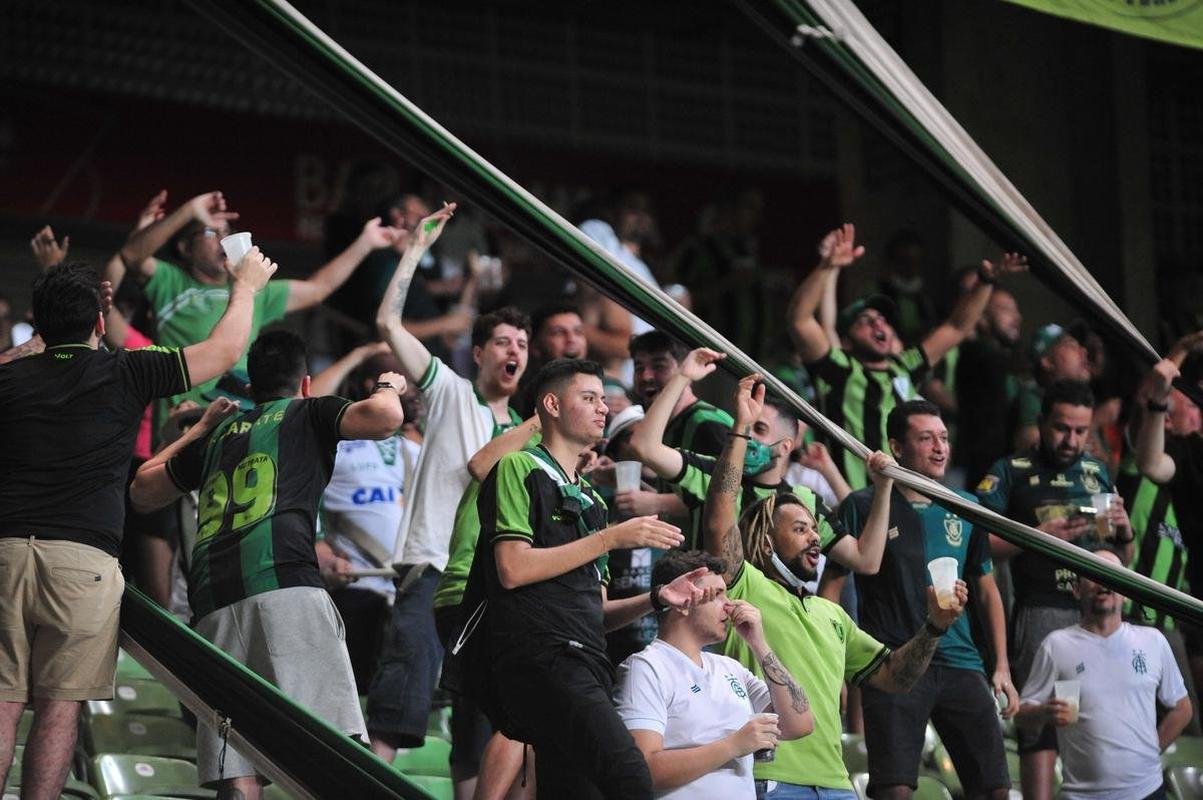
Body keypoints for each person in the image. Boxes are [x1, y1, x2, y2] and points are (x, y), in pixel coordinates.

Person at [0, 251, 272, 800]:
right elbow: (223, 351)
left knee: (2, 702)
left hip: (4, 555)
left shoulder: (11, 378)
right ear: (101, 323)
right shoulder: (126, 369)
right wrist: (243, 286)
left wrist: (27, 348)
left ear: (39, 324)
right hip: (82, 565)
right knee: (59, 707)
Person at [129, 329, 406, 799]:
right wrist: (390, 386)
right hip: (287, 589)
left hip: (214, 603)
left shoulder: (217, 437)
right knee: (334, 753)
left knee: (236, 766)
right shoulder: (307, 411)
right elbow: (384, 418)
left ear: (252, 387)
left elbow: (141, 490)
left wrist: (197, 429)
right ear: (304, 384)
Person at [453, 358, 712, 800]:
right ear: (551, 405)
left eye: (602, 400)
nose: (602, 409)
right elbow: (512, 569)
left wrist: (656, 597)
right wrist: (611, 538)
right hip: (543, 656)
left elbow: (597, 612)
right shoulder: (519, 468)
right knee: (630, 776)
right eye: (588, 398)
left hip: (586, 658)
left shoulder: (591, 497)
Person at [704, 373, 970, 800]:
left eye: (815, 529)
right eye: (799, 528)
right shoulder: (745, 586)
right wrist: (741, 429)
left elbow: (894, 677)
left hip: (837, 785)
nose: (814, 537)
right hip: (768, 781)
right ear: (767, 540)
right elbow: (720, 518)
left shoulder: (831, 614)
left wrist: (934, 628)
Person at [370, 202, 529, 760]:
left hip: (487, 587)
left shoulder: (532, 438)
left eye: (523, 345)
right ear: (479, 352)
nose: (515, 352)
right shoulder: (449, 389)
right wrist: (415, 250)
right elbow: (388, 324)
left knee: (478, 729)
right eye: (504, 342)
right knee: (399, 706)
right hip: (432, 566)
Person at [820, 401, 1015, 800]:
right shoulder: (862, 504)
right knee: (893, 790)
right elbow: (831, 592)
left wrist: (1002, 667)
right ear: (897, 447)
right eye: (925, 438)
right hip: (893, 663)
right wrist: (834, 666)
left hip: (961, 661)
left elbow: (987, 588)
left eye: (943, 437)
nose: (939, 447)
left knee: (995, 789)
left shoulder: (966, 506)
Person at [116, 189, 404, 442]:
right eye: (210, 233)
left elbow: (318, 288)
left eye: (226, 233)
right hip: (184, 426)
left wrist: (365, 241)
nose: (222, 240)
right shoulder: (171, 281)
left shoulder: (254, 287)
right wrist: (189, 211)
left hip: (240, 426)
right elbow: (131, 255)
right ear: (184, 246)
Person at [975, 379, 1132, 800]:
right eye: (1063, 428)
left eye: (1081, 430)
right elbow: (975, 543)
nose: (1072, 439)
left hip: (1099, 613)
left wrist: (1125, 530)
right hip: (1044, 608)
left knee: (1098, 718)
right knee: (1046, 720)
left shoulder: (1097, 473)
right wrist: (1037, 535)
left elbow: (1121, 555)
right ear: (1042, 423)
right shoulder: (1010, 470)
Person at [787, 223, 1026, 489]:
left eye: (883, 320)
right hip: (853, 500)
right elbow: (799, 320)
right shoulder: (838, 369)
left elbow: (957, 327)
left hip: (905, 500)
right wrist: (826, 267)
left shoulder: (905, 365)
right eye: (865, 321)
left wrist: (985, 281)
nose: (879, 325)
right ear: (847, 340)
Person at [629, 347, 892, 574]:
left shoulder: (805, 501)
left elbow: (865, 561)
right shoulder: (712, 472)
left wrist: (883, 489)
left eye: (760, 429)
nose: (748, 436)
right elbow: (644, 447)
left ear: (786, 446)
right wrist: (682, 377)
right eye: (745, 424)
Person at [615, 550, 814, 799]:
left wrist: (759, 643)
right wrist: (732, 745)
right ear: (683, 602)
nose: (730, 605)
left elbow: (800, 723)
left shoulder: (730, 668)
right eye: (718, 595)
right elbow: (644, 769)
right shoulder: (646, 667)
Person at [1017, 546, 1192, 800]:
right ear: (1077, 590)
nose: (1103, 582)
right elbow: (1020, 716)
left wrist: (1150, 752)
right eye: (1093, 574)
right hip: (1081, 796)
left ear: (1126, 593)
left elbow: (1182, 708)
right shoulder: (1057, 644)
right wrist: (1044, 712)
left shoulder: (1152, 641)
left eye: (1112, 575)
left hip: (1147, 791)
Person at [311, 343, 420, 694]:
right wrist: (320, 549)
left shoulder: (414, 449)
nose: (413, 393)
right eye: (404, 385)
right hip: (355, 589)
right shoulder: (334, 442)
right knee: (349, 694)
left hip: (406, 594)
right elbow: (304, 402)